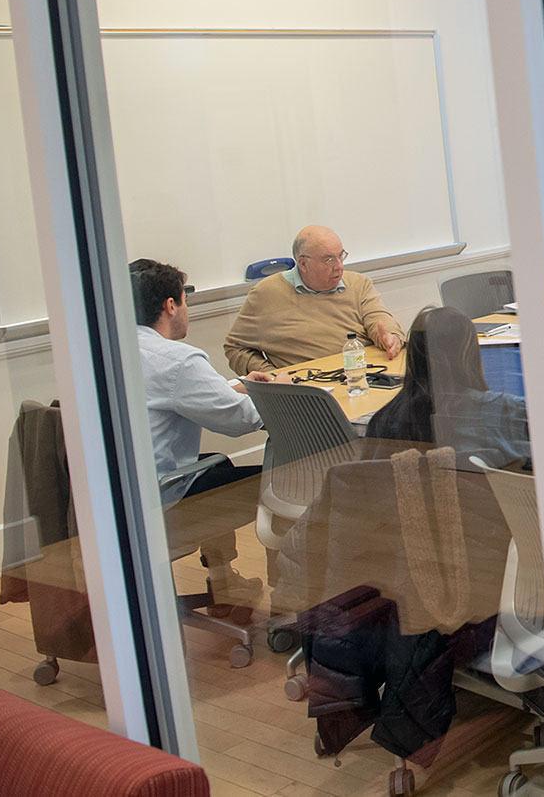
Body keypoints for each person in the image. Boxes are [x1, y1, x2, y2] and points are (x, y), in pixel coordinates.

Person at [130, 258, 269, 601]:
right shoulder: (177, 359)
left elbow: (177, 394)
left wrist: (238, 384)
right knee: (287, 479)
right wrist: (282, 392)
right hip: (163, 506)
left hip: (123, 497)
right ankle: (298, 593)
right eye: (185, 300)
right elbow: (242, 420)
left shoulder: (113, 351)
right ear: (171, 305)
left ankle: (223, 583)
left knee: (217, 462)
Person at [363, 305, 531, 467]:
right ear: (470, 355)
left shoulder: (382, 422)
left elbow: (369, 483)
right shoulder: (510, 413)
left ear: (412, 357)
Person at [224, 224, 405, 374]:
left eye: (340, 256)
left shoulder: (358, 283)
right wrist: (273, 376)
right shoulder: (266, 294)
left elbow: (379, 319)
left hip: (366, 376)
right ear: (303, 264)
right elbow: (235, 347)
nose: (339, 266)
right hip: (310, 392)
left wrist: (391, 337)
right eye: (328, 260)